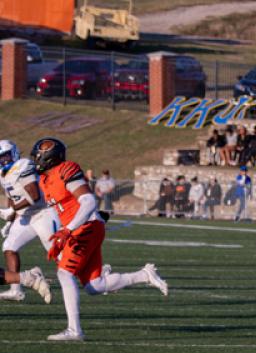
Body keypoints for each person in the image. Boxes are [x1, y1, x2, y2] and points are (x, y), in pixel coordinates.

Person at [31, 137, 168, 341]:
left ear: (49, 158)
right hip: (80, 228)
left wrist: (67, 230)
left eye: (38, 157)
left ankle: (74, 330)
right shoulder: (44, 180)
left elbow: (88, 201)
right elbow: (59, 209)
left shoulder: (66, 170)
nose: (35, 161)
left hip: (85, 227)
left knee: (64, 274)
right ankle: (144, 275)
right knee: (94, 286)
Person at [0, 140, 59, 301]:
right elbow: (12, 198)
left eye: (5, 156)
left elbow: (34, 195)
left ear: (13, 153)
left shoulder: (23, 165)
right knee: (9, 247)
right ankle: (15, 290)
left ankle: (99, 273)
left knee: (59, 255)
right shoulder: (3, 175)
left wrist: (12, 210)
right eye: (0, 158)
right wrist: (10, 220)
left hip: (43, 214)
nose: (3, 161)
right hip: (26, 215)